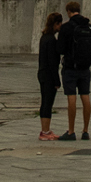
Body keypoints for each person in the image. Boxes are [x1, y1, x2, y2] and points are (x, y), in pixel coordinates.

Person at [58, 1, 91, 140]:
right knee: (85, 96)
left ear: (68, 11)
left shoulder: (66, 27)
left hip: (70, 68)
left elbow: (60, 49)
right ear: (79, 10)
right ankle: (85, 130)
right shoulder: (89, 26)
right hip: (85, 68)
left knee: (71, 98)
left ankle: (71, 131)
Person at [36, 12, 64, 140]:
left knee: (44, 102)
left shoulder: (44, 37)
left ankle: (45, 130)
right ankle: (45, 132)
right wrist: (57, 80)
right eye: (59, 24)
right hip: (49, 75)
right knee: (48, 103)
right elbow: (53, 62)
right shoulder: (52, 40)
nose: (60, 26)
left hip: (42, 73)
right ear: (55, 24)